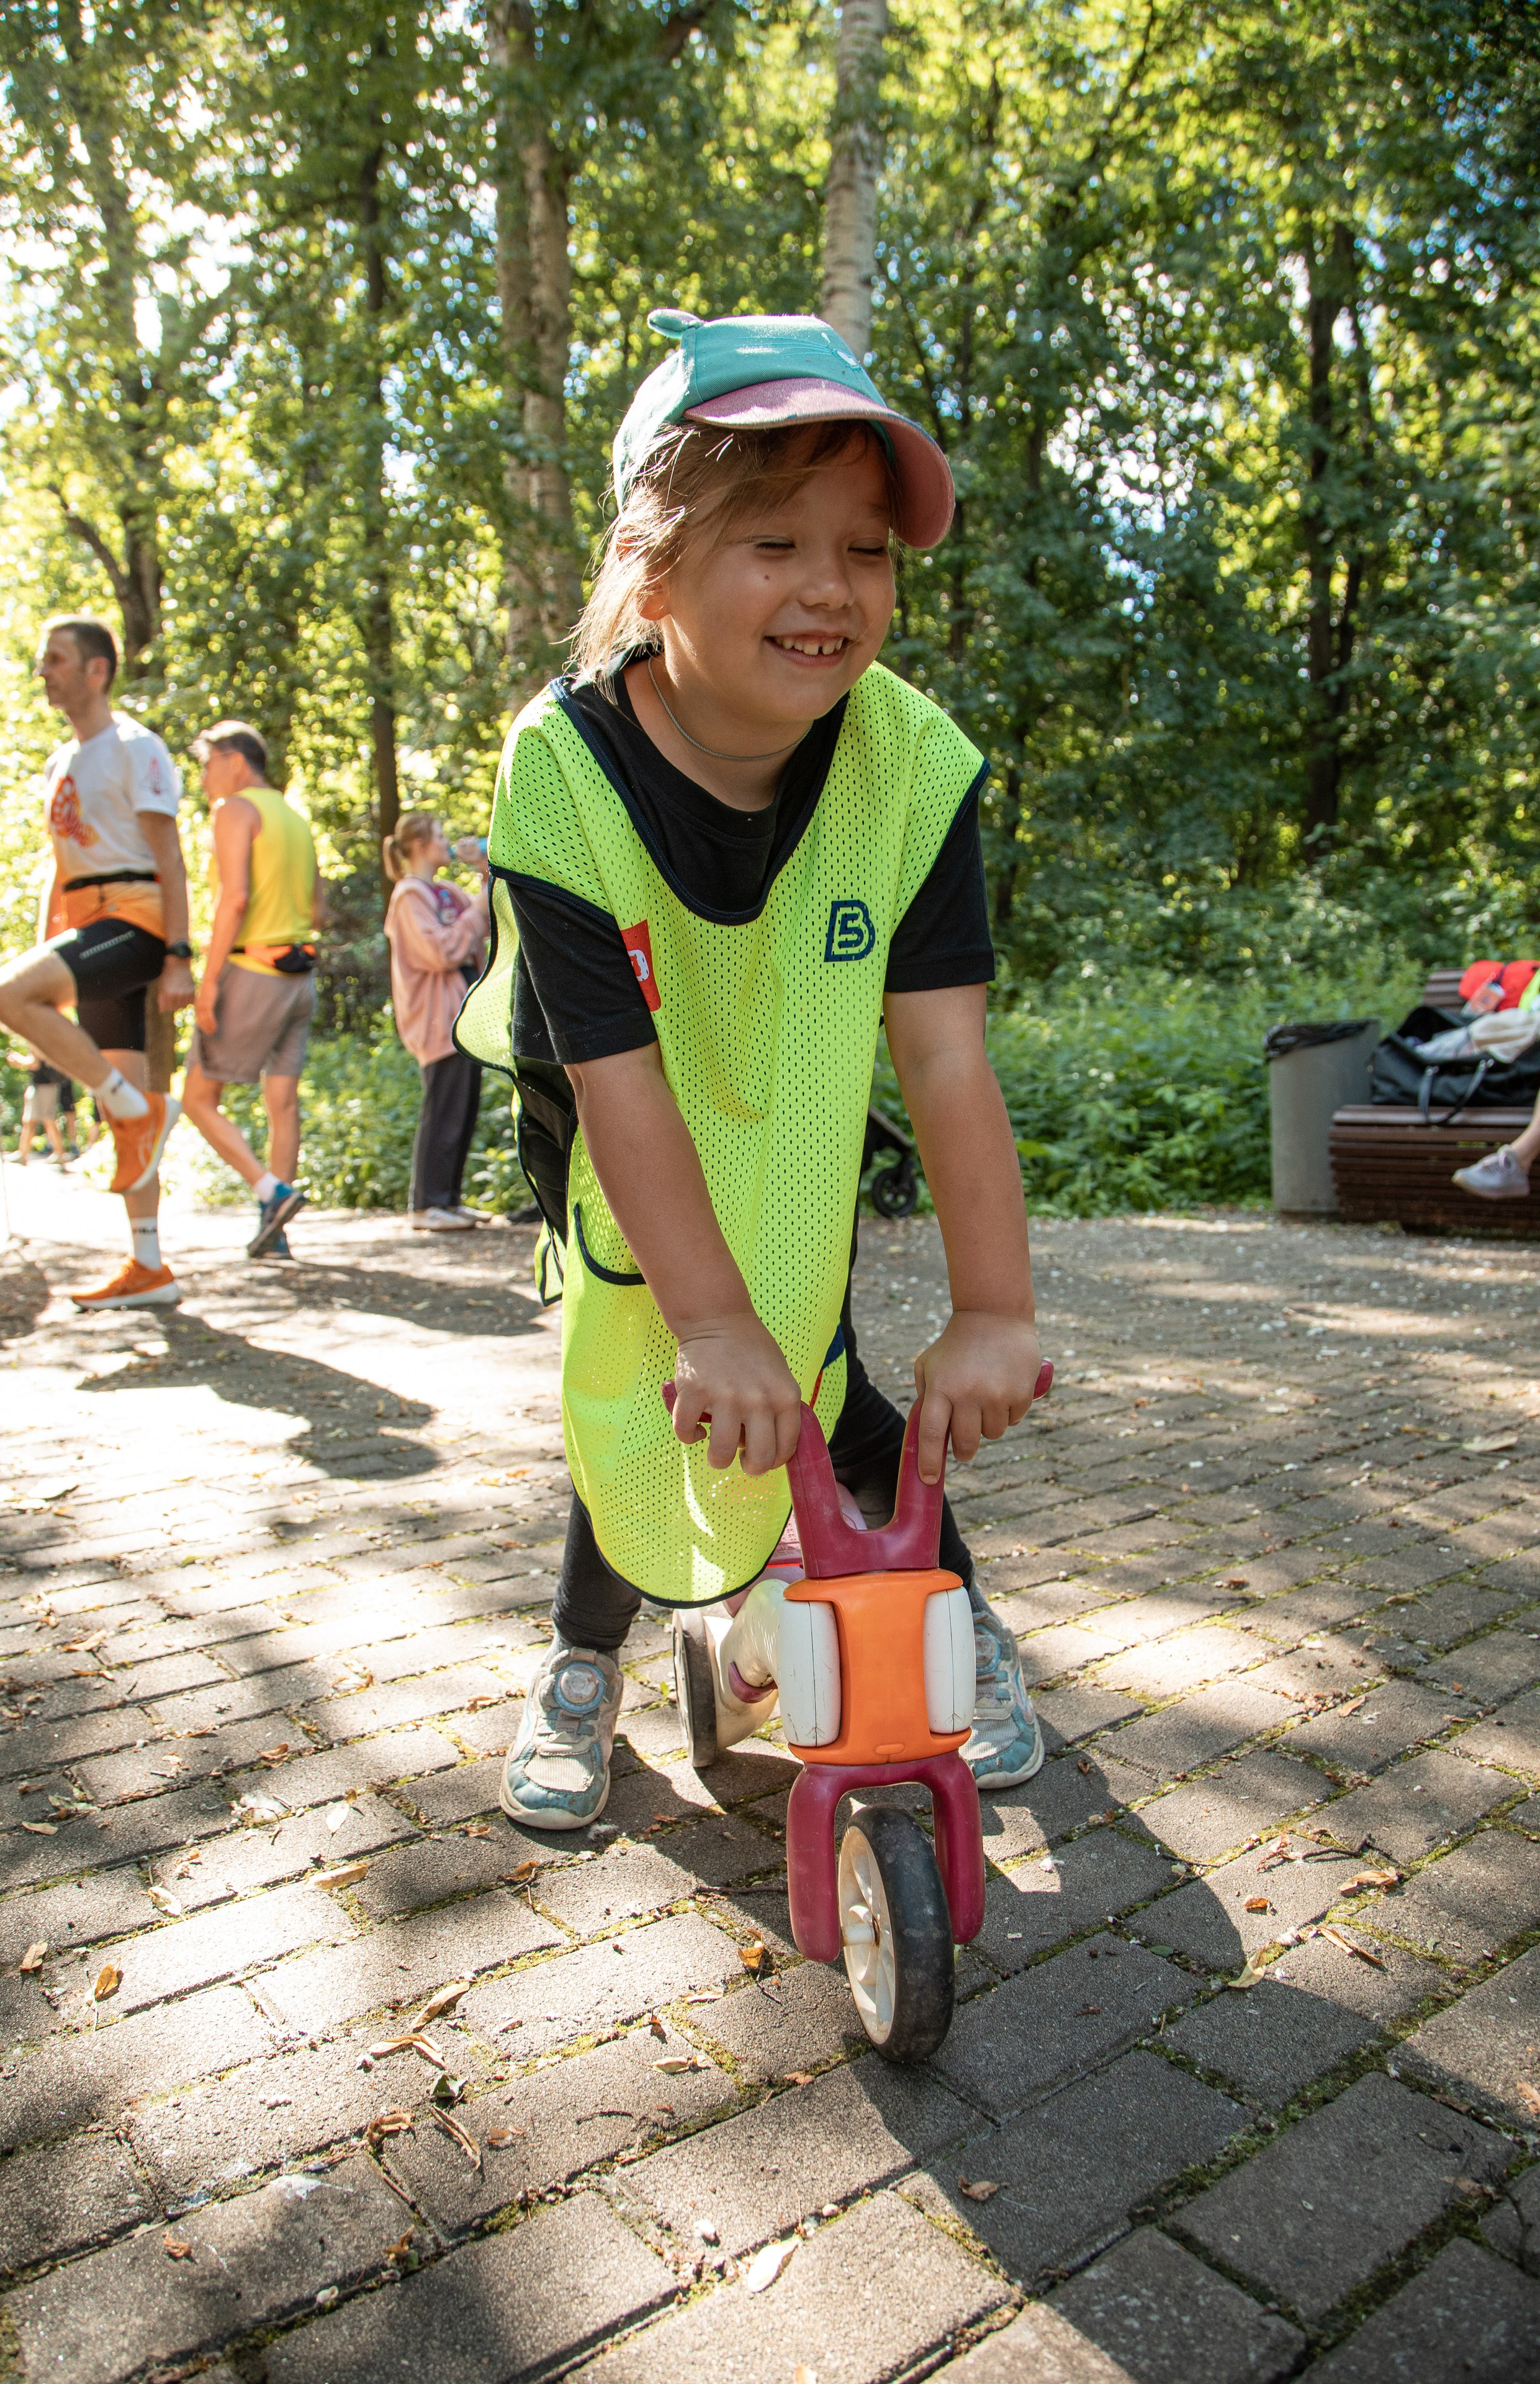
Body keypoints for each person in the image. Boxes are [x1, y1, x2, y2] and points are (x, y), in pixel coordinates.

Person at [457, 308, 1045, 1828]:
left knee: (814, 1355)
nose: (829, 589)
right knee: (648, 1366)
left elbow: (942, 1054)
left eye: (865, 551)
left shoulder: (912, 765)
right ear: (652, 570)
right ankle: (584, 1656)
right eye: (773, 540)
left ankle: (945, 1611)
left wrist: (991, 1308)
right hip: (611, 1084)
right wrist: (706, 1319)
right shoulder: (561, 767)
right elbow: (615, 1075)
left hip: (782, 1069)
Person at [0, 616, 194, 1309]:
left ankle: (139, 1109)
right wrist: (50, 939)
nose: (43, 670)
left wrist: (178, 957)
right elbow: (59, 865)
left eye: (56, 659)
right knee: (125, 1120)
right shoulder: (59, 761)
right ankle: (150, 1265)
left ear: (96, 670)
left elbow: (170, 857)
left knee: (4, 994)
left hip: (133, 920)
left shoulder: (138, 747)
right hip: (84, 925)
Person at [179, 721, 322, 1259]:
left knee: (197, 1098)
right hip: (299, 974)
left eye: (207, 764)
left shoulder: (236, 811)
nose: (204, 778)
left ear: (235, 760)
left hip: (253, 972)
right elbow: (315, 907)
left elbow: (233, 898)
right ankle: (275, 1232)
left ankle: (272, 1191)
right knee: (281, 1101)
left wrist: (208, 982)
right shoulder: (294, 817)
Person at [384, 811, 491, 1230]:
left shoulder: (445, 891)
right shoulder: (409, 896)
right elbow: (439, 951)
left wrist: (485, 873)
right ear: (419, 845)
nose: (447, 841)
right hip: (436, 1015)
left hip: (463, 1009)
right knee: (443, 1105)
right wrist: (477, 911)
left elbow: (488, 915)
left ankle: (449, 1198)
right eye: (440, 835)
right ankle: (427, 1203)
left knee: (463, 1105)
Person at [16, 1055, 72, 1165]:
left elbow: (35, 1063)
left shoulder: (37, 1039)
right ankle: (23, 1154)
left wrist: (19, 1060)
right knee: (30, 1120)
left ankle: (61, 1155)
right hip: (37, 1086)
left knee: (49, 1121)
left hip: (46, 1086)